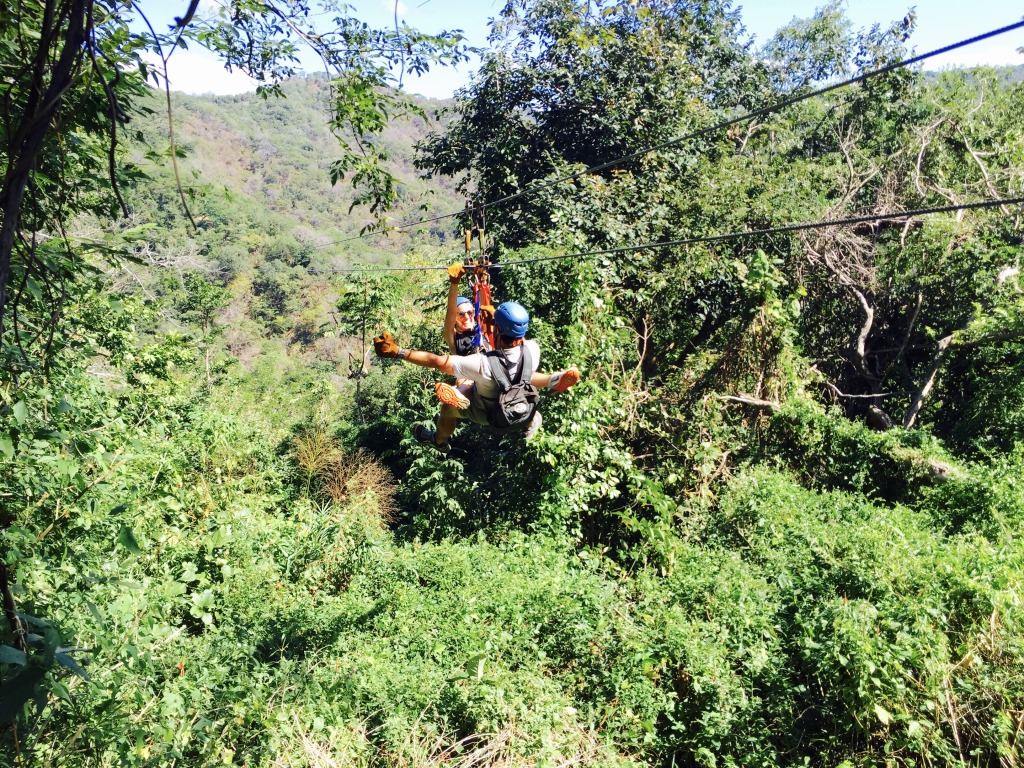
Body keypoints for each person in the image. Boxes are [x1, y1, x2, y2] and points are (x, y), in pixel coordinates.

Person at [374, 301, 580, 452]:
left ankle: (439, 441)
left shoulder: (481, 363)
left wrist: (399, 352)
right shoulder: (533, 350)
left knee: (448, 407)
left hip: (491, 415)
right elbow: (512, 349)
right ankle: (550, 385)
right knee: (523, 376)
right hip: (522, 408)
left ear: (497, 330)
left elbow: (436, 361)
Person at [435, 263, 489, 411]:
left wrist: (482, 278)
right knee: (464, 381)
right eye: (461, 314)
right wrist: (454, 283)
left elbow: (484, 306)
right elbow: (450, 311)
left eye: (469, 313)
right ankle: (459, 395)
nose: (466, 317)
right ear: (456, 318)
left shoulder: (482, 328)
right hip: (469, 374)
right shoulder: (453, 337)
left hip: (489, 368)